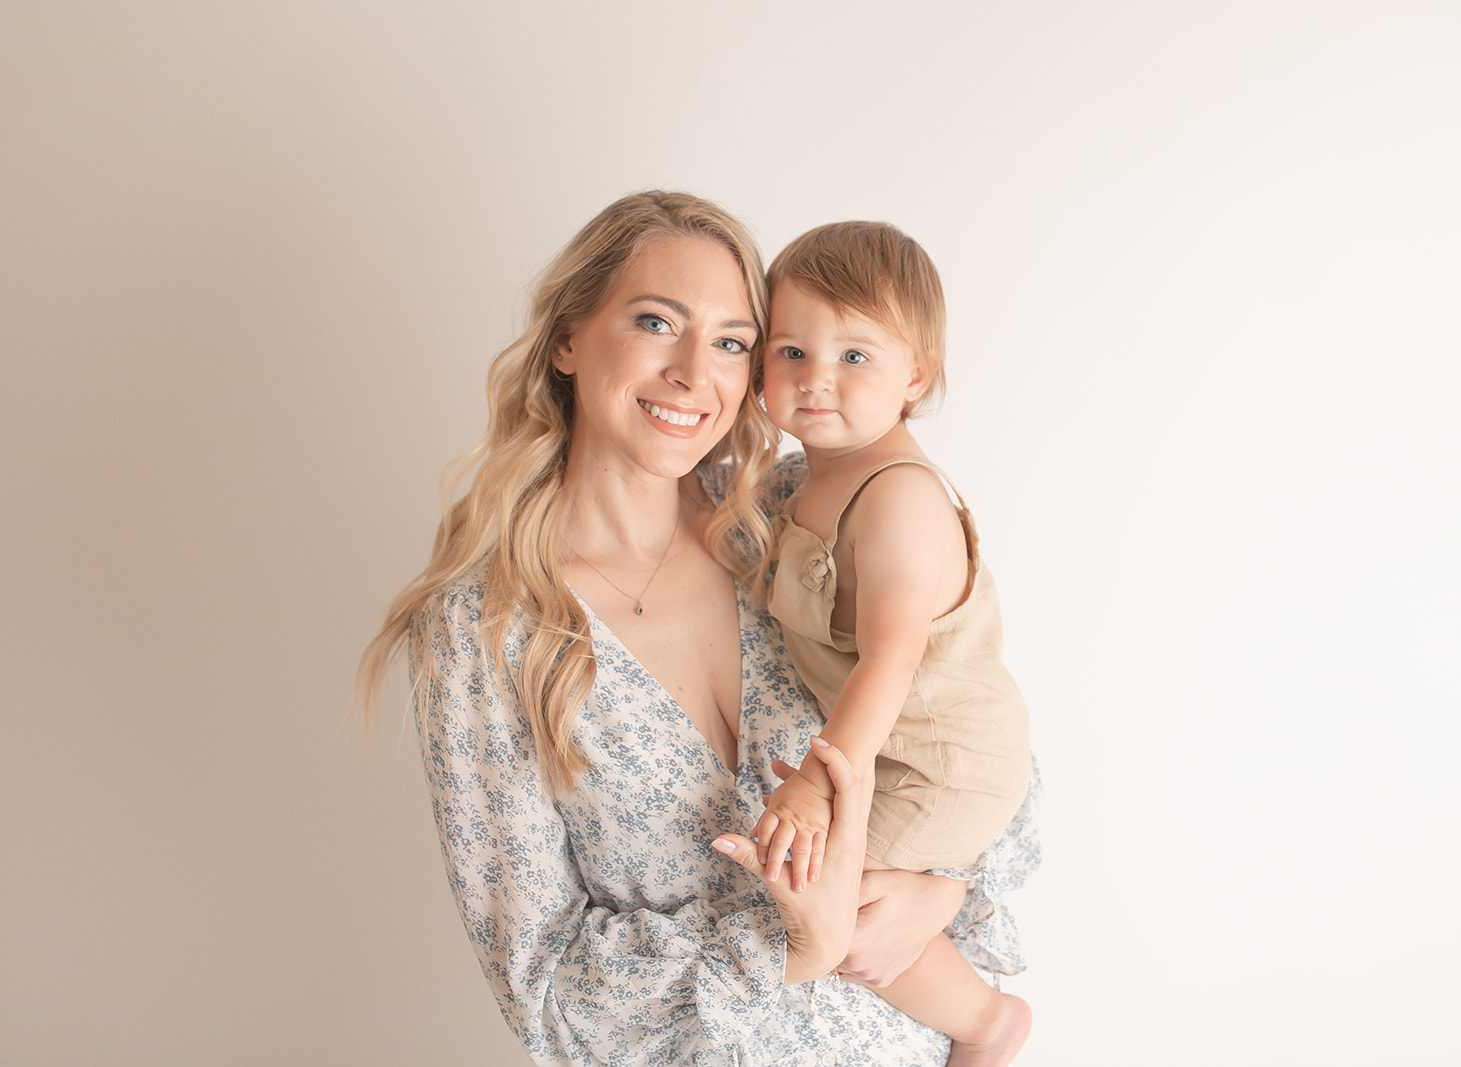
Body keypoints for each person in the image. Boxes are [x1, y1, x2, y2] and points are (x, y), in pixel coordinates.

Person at [357, 191, 1040, 1066]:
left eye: (732, 343)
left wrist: (937, 887)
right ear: (567, 338)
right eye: (655, 322)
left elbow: (973, 735)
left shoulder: (793, 524)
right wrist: (792, 947)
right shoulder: (482, 635)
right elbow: (545, 990)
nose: (694, 372)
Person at [750, 221, 1034, 1065]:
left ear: (916, 375)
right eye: (790, 352)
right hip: (893, 746)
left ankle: (985, 1021)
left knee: (834, 905)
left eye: (854, 357)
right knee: (816, 891)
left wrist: (812, 784)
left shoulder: (898, 498)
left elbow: (891, 659)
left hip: (942, 757)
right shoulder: (803, 480)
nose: (815, 380)